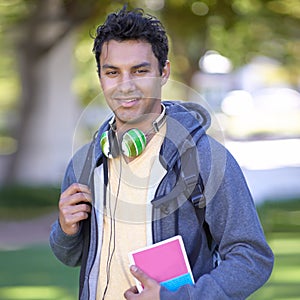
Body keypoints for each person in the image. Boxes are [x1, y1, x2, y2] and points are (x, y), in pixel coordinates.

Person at [50, 5, 274, 300]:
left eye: (140, 71)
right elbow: (73, 256)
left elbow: (252, 258)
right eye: (112, 72)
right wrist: (65, 229)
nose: (125, 86)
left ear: (164, 71)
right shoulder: (85, 162)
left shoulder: (206, 158)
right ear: (100, 77)